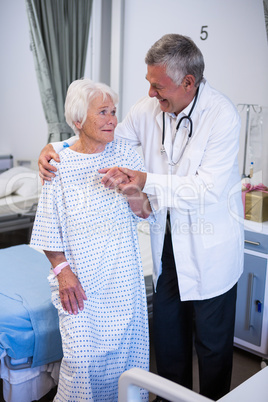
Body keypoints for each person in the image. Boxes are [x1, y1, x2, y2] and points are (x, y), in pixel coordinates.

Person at [38, 34, 244, 401]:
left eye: (157, 86)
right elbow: (96, 136)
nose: (150, 93)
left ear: (188, 83)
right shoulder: (146, 111)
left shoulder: (222, 116)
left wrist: (143, 181)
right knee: (169, 344)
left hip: (210, 251)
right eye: (149, 84)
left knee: (212, 349)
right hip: (168, 247)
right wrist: (53, 147)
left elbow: (207, 189)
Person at [31, 78, 154, 402]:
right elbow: (47, 228)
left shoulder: (126, 154)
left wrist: (130, 190)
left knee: (128, 364)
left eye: (113, 111)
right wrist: (64, 273)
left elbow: (145, 212)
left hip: (123, 282)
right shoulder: (58, 164)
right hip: (80, 285)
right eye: (102, 112)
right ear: (78, 121)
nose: (112, 119)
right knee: (81, 364)